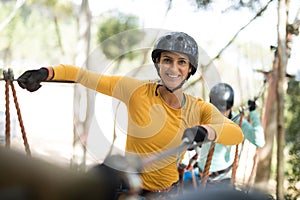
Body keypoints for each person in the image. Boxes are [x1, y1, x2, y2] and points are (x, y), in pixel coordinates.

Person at [16, 32, 244, 199]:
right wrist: (45, 73)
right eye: (167, 60)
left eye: (181, 62)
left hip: (168, 194)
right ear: (158, 64)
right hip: (128, 191)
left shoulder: (198, 108)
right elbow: (83, 76)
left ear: (190, 70)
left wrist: (207, 130)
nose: (173, 68)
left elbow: (236, 134)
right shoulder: (135, 91)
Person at [189, 83, 265, 188]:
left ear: (230, 108)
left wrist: (253, 113)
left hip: (222, 179)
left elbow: (259, 141)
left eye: (222, 111)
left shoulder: (237, 121)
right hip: (200, 177)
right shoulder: (203, 116)